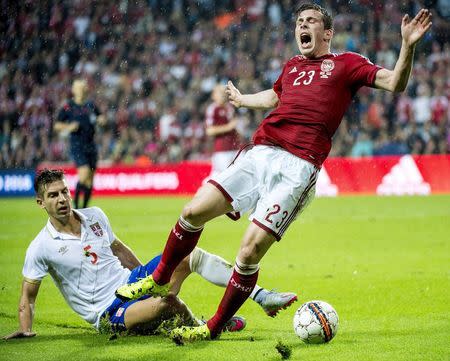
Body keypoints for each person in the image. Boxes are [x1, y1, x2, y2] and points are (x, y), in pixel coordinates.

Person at [115, 4, 432, 341]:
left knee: (249, 251)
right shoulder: (293, 66)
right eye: (298, 22)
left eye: (310, 22)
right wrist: (242, 100)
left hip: (299, 167)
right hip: (261, 153)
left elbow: (395, 82)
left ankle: (212, 327)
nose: (302, 27)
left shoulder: (348, 64)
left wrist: (407, 45)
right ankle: (160, 277)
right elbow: (275, 96)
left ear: (327, 33)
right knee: (192, 211)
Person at [3, 169, 297, 340]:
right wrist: (25, 331)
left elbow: (119, 250)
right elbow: (27, 296)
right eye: (53, 196)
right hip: (108, 311)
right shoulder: (40, 246)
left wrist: (151, 277)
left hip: (131, 281)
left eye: (64, 192)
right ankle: (203, 325)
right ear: (40, 202)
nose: (62, 199)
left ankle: (261, 295)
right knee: (166, 304)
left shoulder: (93, 215)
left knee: (190, 255)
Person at [54, 79, 105, 209]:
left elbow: (102, 118)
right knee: (84, 174)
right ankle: (76, 207)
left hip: (91, 145)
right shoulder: (68, 106)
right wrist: (69, 126)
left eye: (83, 87)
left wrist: (101, 120)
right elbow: (57, 125)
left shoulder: (91, 106)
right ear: (73, 90)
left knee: (89, 181)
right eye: (79, 87)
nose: (82, 90)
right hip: (77, 145)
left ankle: (84, 209)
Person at [205, 84, 241, 180]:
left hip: (236, 146)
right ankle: (205, 189)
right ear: (213, 95)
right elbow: (209, 131)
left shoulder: (230, 107)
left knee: (238, 174)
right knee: (225, 177)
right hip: (222, 150)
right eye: (219, 92)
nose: (222, 95)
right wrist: (228, 127)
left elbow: (235, 125)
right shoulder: (213, 109)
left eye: (223, 92)